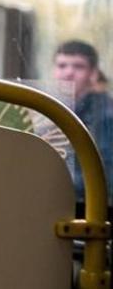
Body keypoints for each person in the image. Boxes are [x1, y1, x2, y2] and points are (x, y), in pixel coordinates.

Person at [53, 40, 113, 203]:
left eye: (78, 66)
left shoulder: (106, 115)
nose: (68, 73)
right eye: (62, 65)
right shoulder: (48, 108)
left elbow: (104, 173)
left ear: (93, 74)